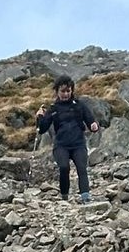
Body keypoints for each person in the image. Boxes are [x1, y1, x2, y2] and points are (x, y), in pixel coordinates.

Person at [35, 75, 100, 203]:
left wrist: (94, 126)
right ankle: (64, 196)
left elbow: (91, 121)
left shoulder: (79, 105)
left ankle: (86, 197)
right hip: (61, 145)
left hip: (78, 144)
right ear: (57, 92)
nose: (65, 94)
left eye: (68, 91)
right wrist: (39, 118)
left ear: (72, 91)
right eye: (63, 91)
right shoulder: (53, 109)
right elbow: (42, 129)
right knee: (64, 168)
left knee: (82, 168)